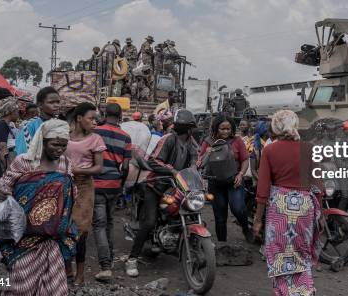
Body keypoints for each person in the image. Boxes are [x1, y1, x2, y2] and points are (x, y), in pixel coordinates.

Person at [0, 119, 76, 296]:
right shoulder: (24, 162)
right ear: (43, 140)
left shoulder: (66, 164)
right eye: (55, 144)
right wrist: (6, 196)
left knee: (52, 283)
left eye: (63, 145)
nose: (59, 149)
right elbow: (4, 187)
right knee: (20, 283)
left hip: (52, 235)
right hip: (24, 234)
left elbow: (71, 194)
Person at [253, 110, 321, 296]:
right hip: (305, 207)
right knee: (301, 254)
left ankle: (284, 292)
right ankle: (305, 291)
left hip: (280, 209)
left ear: (275, 127)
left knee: (280, 255)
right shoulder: (308, 148)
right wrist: (321, 214)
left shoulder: (269, 150)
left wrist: (258, 220)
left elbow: (263, 190)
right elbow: (318, 185)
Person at [125, 109, 198, 278]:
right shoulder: (168, 139)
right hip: (157, 186)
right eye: (181, 126)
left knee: (192, 213)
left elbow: (195, 158)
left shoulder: (191, 143)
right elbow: (154, 160)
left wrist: (195, 168)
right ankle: (132, 259)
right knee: (149, 222)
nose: (182, 129)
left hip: (179, 187)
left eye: (186, 126)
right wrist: (172, 171)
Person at [64, 103, 106, 285]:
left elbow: (99, 168)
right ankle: (67, 271)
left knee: (81, 232)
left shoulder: (96, 139)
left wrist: (78, 170)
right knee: (63, 228)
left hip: (84, 187)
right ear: (79, 118)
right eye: (91, 118)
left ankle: (80, 275)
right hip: (63, 185)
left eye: (95, 118)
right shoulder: (64, 137)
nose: (94, 121)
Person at [92, 103, 131, 282]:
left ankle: (105, 265)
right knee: (108, 222)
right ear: (120, 115)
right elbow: (126, 167)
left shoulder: (96, 132)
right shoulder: (126, 137)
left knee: (99, 224)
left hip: (97, 183)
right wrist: (120, 186)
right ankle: (111, 260)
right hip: (114, 184)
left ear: (104, 114)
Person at [198, 115, 250, 243]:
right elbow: (200, 163)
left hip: (234, 181)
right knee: (220, 216)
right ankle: (222, 244)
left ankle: (245, 227)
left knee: (237, 208)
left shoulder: (237, 141)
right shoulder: (208, 142)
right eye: (222, 129)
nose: (226, 132)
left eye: (228, 129)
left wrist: (241, 174)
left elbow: (245, 160)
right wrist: (207, 153)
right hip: (215, 183)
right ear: (216, 128)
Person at [15, 87, 60, 156]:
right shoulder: (29, 126)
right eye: (51, 102)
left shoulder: (60, 125)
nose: (56, 105)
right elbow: (22, 155)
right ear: (40, 105)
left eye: (58, 102)